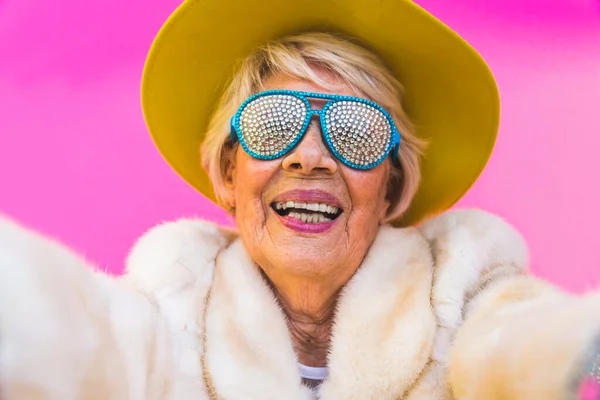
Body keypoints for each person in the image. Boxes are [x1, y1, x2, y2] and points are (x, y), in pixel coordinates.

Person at [1, 0, 599, 399]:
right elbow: (87, 332)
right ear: (230, 173)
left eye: (355, 129)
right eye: (271, 123)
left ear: (390, 184)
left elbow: (510, 335)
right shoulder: (174, 301)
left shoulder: (459, 283)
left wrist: (575, 336)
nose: (309, 156)